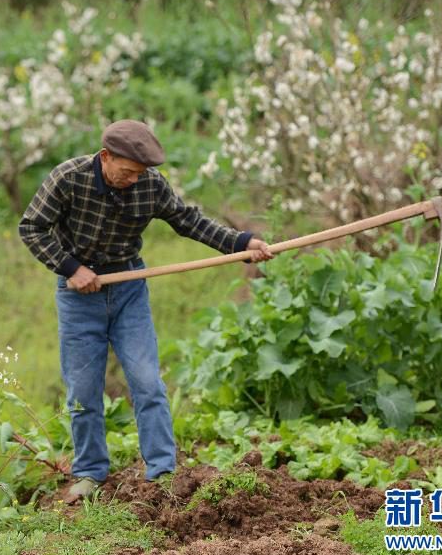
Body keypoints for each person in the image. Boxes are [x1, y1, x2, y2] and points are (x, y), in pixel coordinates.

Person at [18, 120, 273, 503]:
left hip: (128, 290)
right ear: (105, 157)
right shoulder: (68, 178)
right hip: (79, 296)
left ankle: (162, 470)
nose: (133, 181)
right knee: (83, 392)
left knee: (147, 381)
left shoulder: (149, 184)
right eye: (126, 172)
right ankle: (89, 473)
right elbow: (32, 227)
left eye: (140, 174)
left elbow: (187, 220)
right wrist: (71, 268)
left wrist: (241, 242)